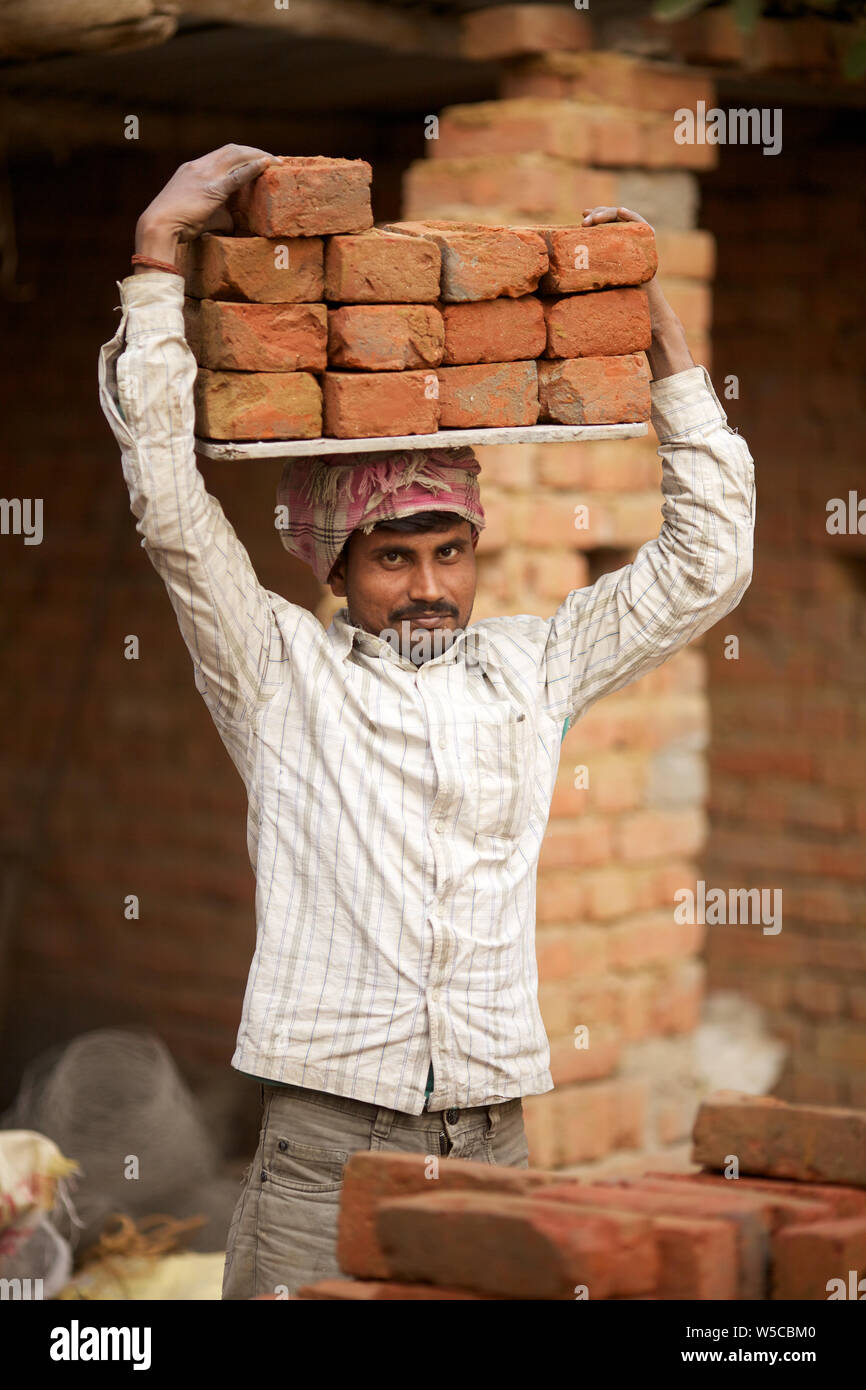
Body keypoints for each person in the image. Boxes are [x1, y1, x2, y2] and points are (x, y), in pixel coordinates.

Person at [98, 144, 755, 1298]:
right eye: (392, 558)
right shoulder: (280, 675)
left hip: (493, 1137)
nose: (427, 585)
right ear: (334, 567)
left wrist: (668, 356)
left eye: (448, 551)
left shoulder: (530, 667)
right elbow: (168, 508)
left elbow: (708, 564)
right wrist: (157, 259)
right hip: (326, 1145)